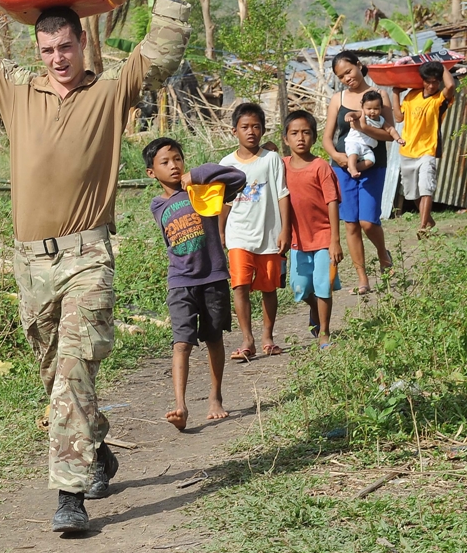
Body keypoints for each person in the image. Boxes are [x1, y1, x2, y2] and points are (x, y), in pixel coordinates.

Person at [0, 0, 191, 534]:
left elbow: (165, 43)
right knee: (56, 377)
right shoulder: (17, 89)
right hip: (28, 263)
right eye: (47, 48)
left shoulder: (111, 91)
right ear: (37, 49)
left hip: (88, 255)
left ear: (82, 42)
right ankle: (96, 449)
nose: (57, 58)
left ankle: (69, 497)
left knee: (72, 371)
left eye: (65, 46)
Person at [143, 137, 246, 431]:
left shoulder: (203, 190)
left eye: (178, 159)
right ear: (151, 173)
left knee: (214, 339)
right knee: (181, 343)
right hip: (180, 281)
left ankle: (215, 397)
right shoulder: (157, 204)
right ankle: (180, 405)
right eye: (165, 162)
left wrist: (197, 175)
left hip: (213, 276)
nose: (174, 166)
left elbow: (237, 177)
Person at [219, 103, 291, 359]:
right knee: (239, 286)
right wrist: (221, 232)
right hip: (239, 234)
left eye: (256, 127)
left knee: (268, 288)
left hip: (269, 235)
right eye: (245, 127)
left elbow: (283, 195)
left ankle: (267, 336)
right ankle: (247, 339)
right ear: (234, 131)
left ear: (262, 130)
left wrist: (285, 230)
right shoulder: (226, 163)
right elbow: (224, 202)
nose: (250, 132)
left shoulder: (271, 160)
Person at [323, 52, 396, 295]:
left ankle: (383, 253)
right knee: (351, 224)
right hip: (343, 167)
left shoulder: (379, 95)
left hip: (373, 166)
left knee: (367, 221)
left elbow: (389, 134)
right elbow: (327, 138)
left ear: (359, 66)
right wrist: (337, 156)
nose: (346, 78)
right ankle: (362, 277)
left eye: (349, 71)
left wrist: (364, 127)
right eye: (341, 76)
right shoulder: (337, 99)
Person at [283, 110, 343, 347]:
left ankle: (325, 332)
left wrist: (335, 240)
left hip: (324, 237)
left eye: (306, 133)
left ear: (315, 137)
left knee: (323, 285)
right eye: (294, 133)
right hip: (298, 239)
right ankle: (315, 311)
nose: (300, 138)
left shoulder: (320, 167)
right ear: (286, 138)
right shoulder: (282, 165)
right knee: (300, 287)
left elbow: (332, 202)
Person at [392, 61, 456, 239]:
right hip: (407, 150)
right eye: (428, 81)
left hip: (428, 149)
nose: (431, 85)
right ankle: (429, 221)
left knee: (426, 186)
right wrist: (395, 94)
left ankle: (422, 227)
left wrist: (441, 64)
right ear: (422, 81)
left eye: (435, 81)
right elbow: (398, 117)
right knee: (412, 193)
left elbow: (450, 84)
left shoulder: (440, 99)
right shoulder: (412, 95)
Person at [344, 90, 405, 178]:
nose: (372, 111)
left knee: (371, 161)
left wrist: (398, 138)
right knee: (353, 154)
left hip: (366, 147)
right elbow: (352, 113)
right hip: (354, 142)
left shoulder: (381, 120)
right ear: (363, 107)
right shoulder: (362, 115)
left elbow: (391, 129)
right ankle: (353, 169)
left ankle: (353, 168)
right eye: (369, 109)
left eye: (376, 109)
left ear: (381, 108)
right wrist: (348, 116)